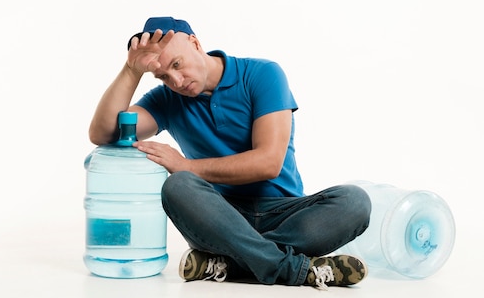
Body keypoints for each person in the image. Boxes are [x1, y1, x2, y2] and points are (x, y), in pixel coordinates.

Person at [88, 16, 372, 290]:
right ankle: (295, 269)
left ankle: (232, 264)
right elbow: (103, 134)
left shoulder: (262, 74)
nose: (175, 80)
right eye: (162, 76)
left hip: (285, 213)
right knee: (177, 186)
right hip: (220, 217)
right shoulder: (167, 100)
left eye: (177, 64)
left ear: (196, 44)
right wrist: (131, 71)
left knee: (355, 201)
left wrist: (187, 165)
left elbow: (268, 163)